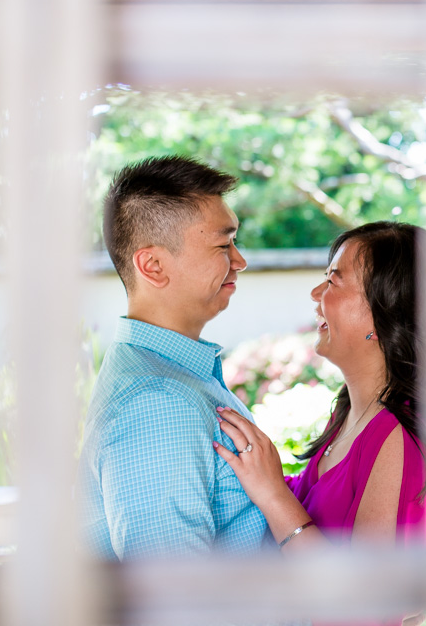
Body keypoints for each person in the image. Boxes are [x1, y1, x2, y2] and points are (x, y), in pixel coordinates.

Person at [78, 156, 272, 559]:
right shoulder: (159, 401)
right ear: (152, 265)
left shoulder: (170, 376)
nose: (240, 260)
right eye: (224, 244)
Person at [212, 221, 426, 550]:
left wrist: (273, 494)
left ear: (385, 314)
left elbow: (368, 594)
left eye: (333, 281)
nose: (316, 294)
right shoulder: (350, 413)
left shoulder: (402, 436)